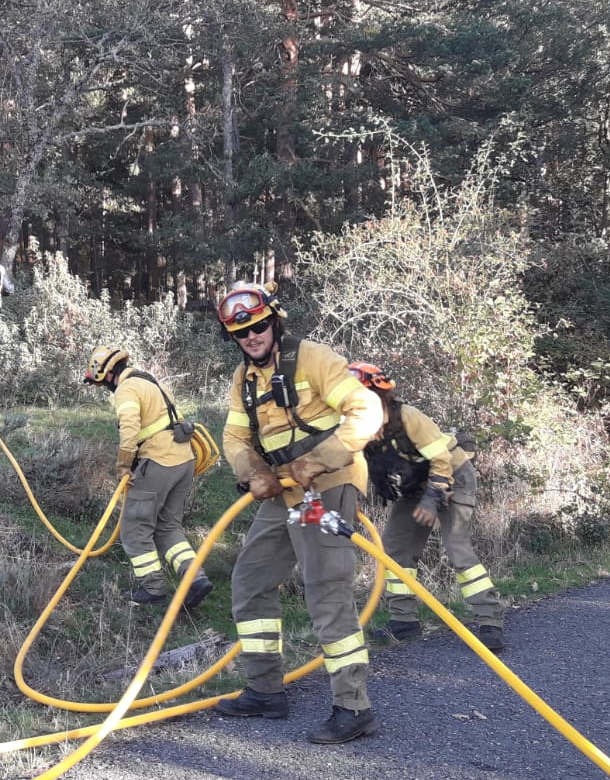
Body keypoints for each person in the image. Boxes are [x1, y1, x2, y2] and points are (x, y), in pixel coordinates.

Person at [213, 281, 384, 744]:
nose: (251, 338)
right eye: (241, 333)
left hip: (325, 486)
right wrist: (252, 471)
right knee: (250, 581)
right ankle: (265, 690)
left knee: (326, 588)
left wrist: (317, 461)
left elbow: (366, 410)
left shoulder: (312, 358)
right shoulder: (243, 380)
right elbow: (233, 437)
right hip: (282, 491)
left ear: (274, 321)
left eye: (258, 327)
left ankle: (353, 707)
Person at [349, 361, 507, 652]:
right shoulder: (357, 430)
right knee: (394, 550)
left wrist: (433, 499)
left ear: (379, 395)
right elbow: (351, 464)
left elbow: (441, 460)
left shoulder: (408, 417)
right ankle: (404, 620)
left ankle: (490, 619)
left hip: (452, 477)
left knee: (456, 548)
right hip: (415, 487)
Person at [82, 346, 214, 611]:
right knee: (168, 527)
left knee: (134, 529)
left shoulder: (126, 389)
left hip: (157, 462)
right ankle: (194, 579)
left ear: (106, 374)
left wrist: (123, 465)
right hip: (183, 461)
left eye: (100, 383)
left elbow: (129, 428)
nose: (103, 388)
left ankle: (153, 587)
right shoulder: (149, 381)